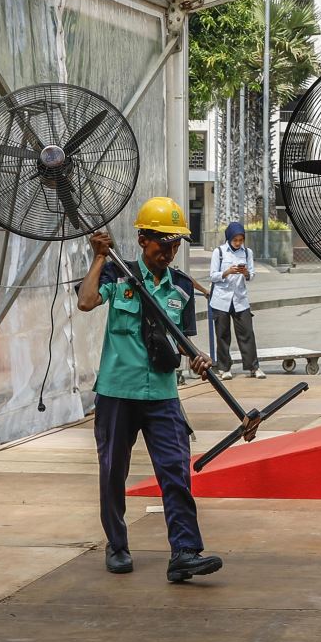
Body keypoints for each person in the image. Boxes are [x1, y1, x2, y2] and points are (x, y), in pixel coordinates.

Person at [75, 196, 222, 584]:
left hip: (161, 395)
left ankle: (185, 553)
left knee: (175, 472)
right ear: (142, 240)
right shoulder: (118, 275)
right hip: (117, 393)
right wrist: (99, 258)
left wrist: (199, 358)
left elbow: (184, 345)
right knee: (112, 472)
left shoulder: (182, 288)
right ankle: (118, 545)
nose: (168, 252)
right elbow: (86, 301)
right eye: (161, 243)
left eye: (175, 245)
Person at [209, 222, 264, 378]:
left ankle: (253, 367)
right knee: (222, 334)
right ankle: (224, 368)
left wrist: (245, 272)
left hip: (240, 299)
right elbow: (212, 275)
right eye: (236, 240)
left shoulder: (247, 253)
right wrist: (226, 272)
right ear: (229, 238)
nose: (238, 243)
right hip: (221, 299)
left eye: (241, 240)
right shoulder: (218, 252)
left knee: (247, 332)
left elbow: (251, 275)